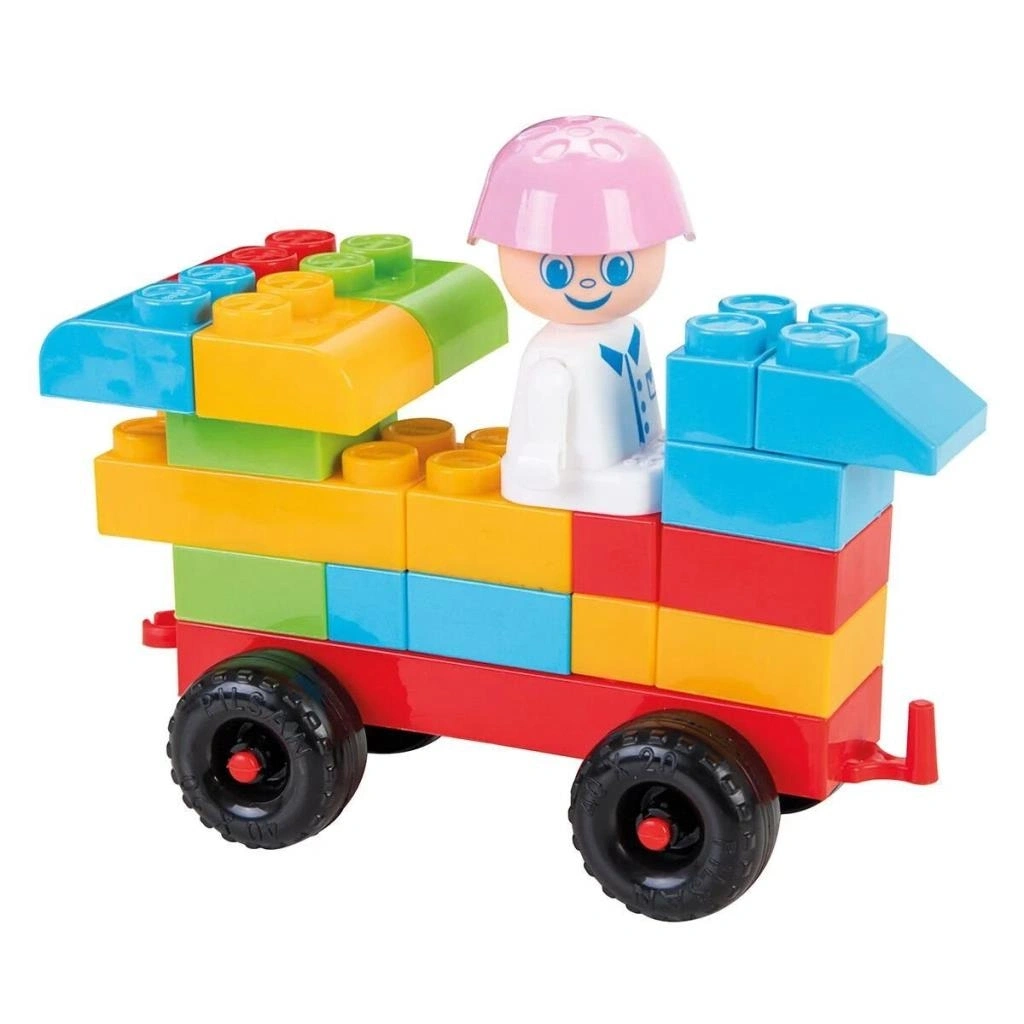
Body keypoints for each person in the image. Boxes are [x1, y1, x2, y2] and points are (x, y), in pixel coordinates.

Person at [468, 115, 694, 515]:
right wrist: (540, 459)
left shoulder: (628, 331)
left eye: (616, 267)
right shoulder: (555, 353)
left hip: (631, 467)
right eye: (557, 271)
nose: (588, 283)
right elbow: (547, 397)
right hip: (575, 491)